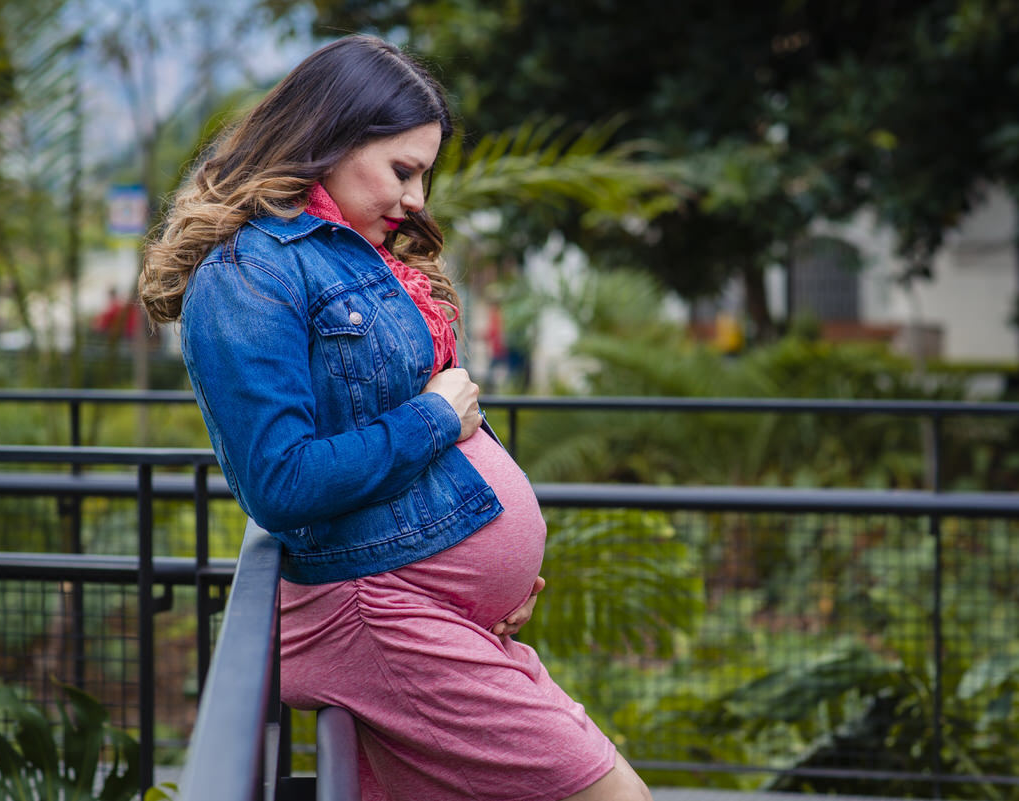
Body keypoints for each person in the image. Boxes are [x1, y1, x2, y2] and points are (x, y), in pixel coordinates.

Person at [138, 35, 651, 801]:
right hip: (377, 612)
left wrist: (485, 562)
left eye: (424, 175)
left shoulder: (358, 254)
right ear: (329, 138)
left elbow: (413, 409)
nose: (417, 200)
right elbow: (280, 480)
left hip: (424, 606)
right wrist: (437, 420)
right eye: (403, 170)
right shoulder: (247, 274)